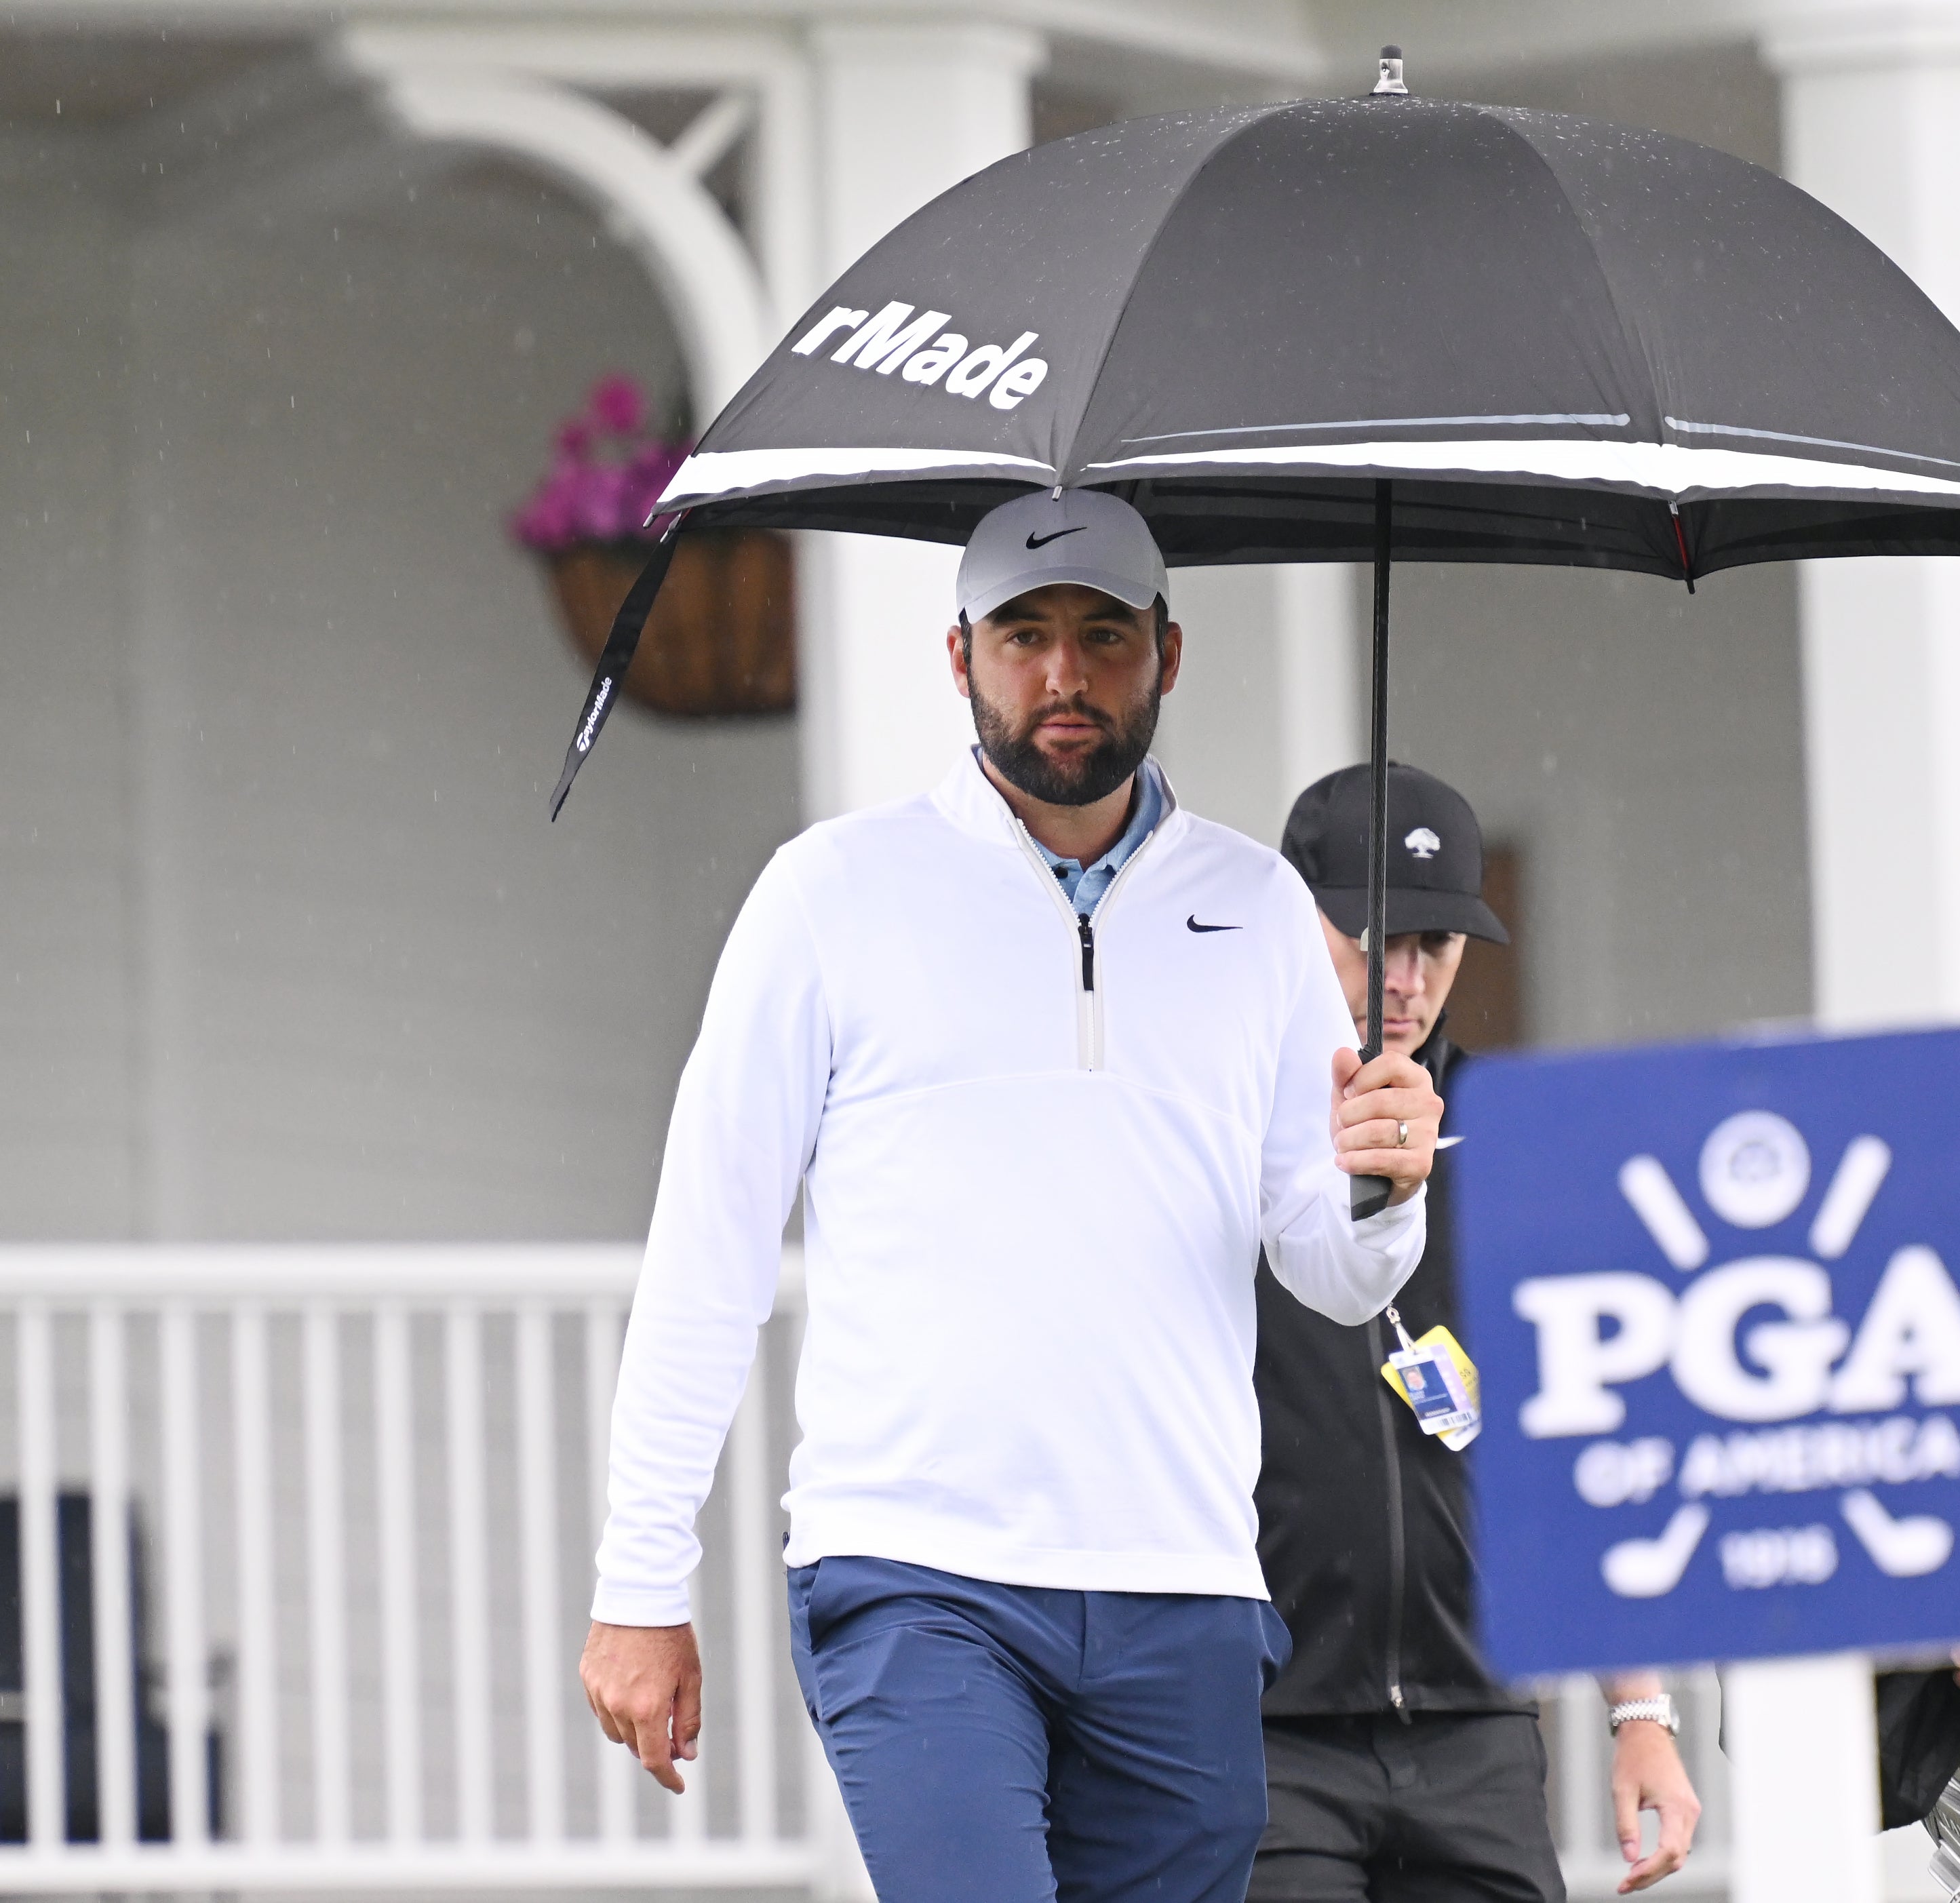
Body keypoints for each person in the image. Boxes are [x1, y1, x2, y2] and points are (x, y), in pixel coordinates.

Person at [577, 488, 1447, 1903]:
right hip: (917, 1569)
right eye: (1024, 634)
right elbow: (709, 1248)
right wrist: (638, 1579)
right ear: (957, 656)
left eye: (1102, 635)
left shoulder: (1262, 909)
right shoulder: (831, 893)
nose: (1063, 674)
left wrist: (1379, 1187)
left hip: (1184, 1577)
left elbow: (1327, 1270)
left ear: (1168, 652)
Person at [1251, 764, 1703, 1903]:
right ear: (1291, 921)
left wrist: (1640, 1712)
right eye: (1374, 938)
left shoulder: (1522, 1153)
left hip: (1481, 1726)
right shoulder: (1220, 1139)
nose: (1404, 981)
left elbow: (1580, 1439)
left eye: (1437, 946)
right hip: (1264, 1729)